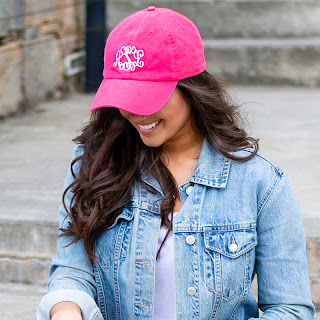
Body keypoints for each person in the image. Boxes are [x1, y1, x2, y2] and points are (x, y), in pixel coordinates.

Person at [36, 6, 315, 320]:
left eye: (149, 96)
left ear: (192, 89)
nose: (137, 113)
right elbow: (71, 272)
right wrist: (66, 310)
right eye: (125, 96)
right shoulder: (94, 163)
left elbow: (290, 309)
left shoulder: (261, 184)